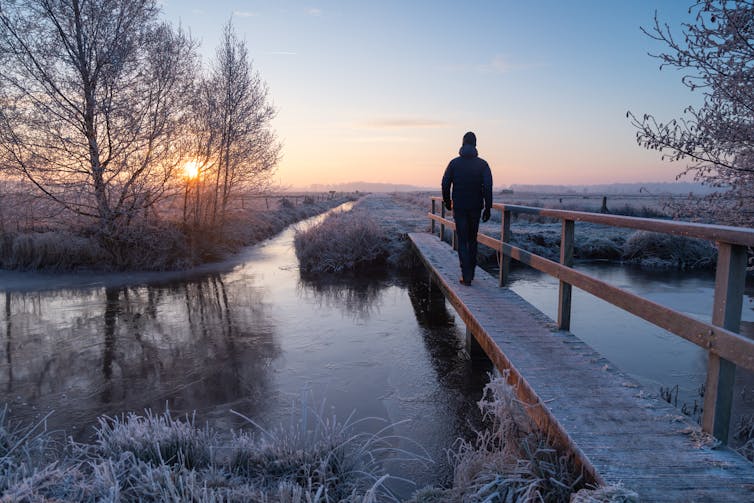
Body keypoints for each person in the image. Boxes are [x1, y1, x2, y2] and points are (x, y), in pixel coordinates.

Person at [441, 131, 493, 286]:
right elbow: (488, 187)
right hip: (476, 207)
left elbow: (445, 184)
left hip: (460, 207)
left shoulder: (454, 163)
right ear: (475, 144)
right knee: (472, 239)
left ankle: (466, 275)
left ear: (463, 143)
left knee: (463, 240)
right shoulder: (483, 164)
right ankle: (471, 271)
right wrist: (488, 207)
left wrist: (447, 201)